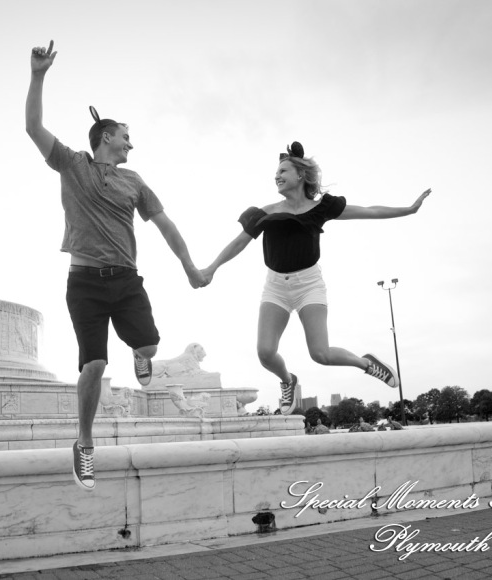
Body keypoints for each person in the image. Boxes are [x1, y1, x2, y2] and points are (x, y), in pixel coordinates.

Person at [25, 41, 207, 491]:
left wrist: (189, 266)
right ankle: (84, 444)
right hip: (84, 282)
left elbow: (165, 224)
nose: (132, 142)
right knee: (93, 365)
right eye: (126, 134)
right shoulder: (72, 165)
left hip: (126, 281)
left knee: (148, 347)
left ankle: (139, 352)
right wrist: (38, 75)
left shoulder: (135, 181)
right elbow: (33, 127)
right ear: (106, 136)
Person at [201, 141, 430, 415]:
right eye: (276, 172)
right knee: (264, 352)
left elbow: (368, 211)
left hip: (309, 285)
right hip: (275, 287)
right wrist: (212, 267)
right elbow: (238, 243)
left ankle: (366, 363)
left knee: (320, 354)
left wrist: (408, 209)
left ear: (300, 175)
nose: (277, 176)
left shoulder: (321, 209)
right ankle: (287, 380)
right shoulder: (266, 213)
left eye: (283, 171)